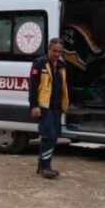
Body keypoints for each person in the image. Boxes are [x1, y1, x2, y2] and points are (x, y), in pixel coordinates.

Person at [28, 38, 69, 179]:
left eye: (60, 51)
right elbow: (33, 87)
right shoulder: (39, 64)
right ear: (48, 49)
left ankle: (43, 165)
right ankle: (45, 166)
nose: (57, 54)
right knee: (48, 135)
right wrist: (34, 106)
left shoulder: (62, 65)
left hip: (57, 106)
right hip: (44, 106)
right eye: (55, 51)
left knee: (54, 135)